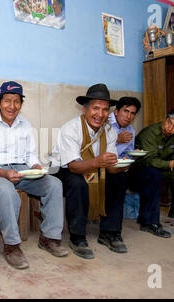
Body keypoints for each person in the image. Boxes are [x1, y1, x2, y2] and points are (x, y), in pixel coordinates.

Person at [0, 81, 67, 270]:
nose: (12, 106)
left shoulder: (25, 123)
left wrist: (35, 165)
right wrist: (3, 173)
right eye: (7, 101)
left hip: (21, 170)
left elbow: (30, 154)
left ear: (21, 104)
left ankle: (49, 238)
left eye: (16, 101)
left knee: (54, 184)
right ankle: (11, 246)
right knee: (6, 191)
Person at [52, 83, 128, 259]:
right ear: (84, 109)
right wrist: (99, 161)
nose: (100, 114)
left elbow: (109, 165)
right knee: (77, 183)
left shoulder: (109, 131)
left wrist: (120, 166)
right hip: (65, 170)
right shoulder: (70, 129)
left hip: (95, 168)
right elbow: (73, 166)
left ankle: (110, 232)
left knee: (119, 179)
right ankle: (77, 237)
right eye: (95, 108)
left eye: (105, 110)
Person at [127, 108, 174, 239]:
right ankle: (149, 222)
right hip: (137, 171)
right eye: (168, 122)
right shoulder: (150, 133)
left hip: (158, 167)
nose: (169, 128)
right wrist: (172, 164)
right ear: (165, 119)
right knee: (155, 174)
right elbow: (150, 161)